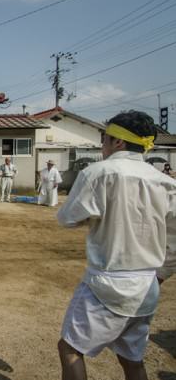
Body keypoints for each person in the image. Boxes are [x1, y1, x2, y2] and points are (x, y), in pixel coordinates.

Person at [56, 110, 175, 380]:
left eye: (105, 138)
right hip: (147, 284)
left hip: (107, 282)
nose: (103, 145)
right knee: (132, 358)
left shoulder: (99, 173)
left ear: (118, 142)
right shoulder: (167, 183)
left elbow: (68, 219)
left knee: (70, 349)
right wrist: (162, 273)